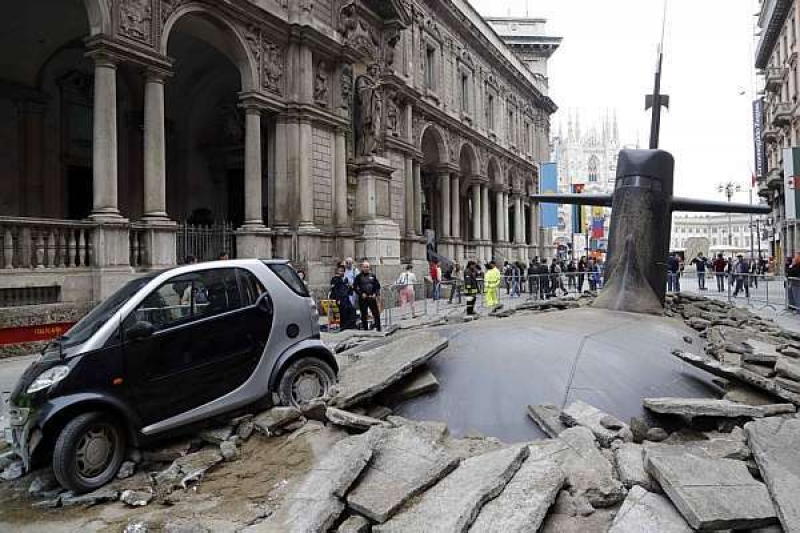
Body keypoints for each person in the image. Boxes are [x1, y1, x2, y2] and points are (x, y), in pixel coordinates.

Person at [354, 261, 381, 331]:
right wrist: (361, 293)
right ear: (362, 268)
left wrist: (376, 294)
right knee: (364, 314)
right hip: (363, 298)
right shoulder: (358, 277)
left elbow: (377, 286)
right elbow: (355, 287)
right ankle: (365, 329)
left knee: (376, 313)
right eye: (364, 267)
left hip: (371, 297)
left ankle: (378, 328)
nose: (366, 268)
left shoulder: (372, 275)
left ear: (369, 268)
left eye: (367, 267)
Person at [330, 264, 357, 330]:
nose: (341, 272)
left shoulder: (346, 279)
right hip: (340, 298)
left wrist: (351, 288)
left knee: (352, 310)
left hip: (346, 297)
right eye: (340, 271)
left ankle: (350, 325)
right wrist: (337, 299)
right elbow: (335, 290)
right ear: (337, 271)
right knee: (343, 312)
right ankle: (343, 326)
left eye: (342, 271)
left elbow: (348, 289)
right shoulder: (334, 279)